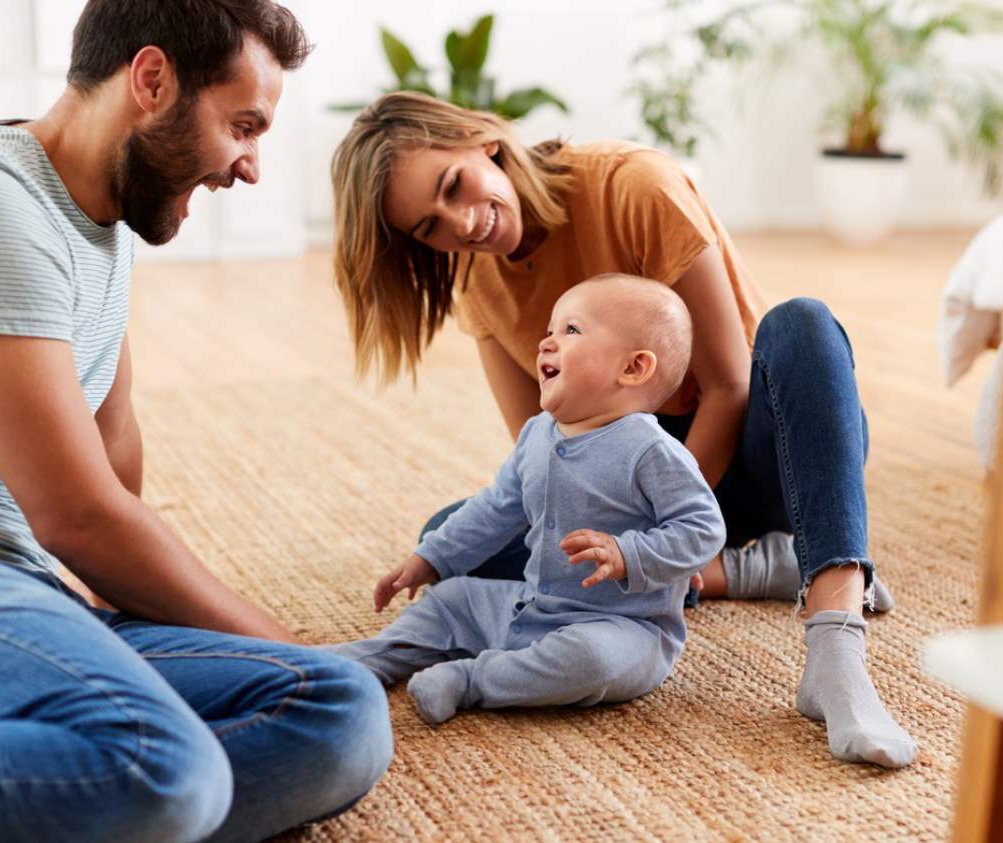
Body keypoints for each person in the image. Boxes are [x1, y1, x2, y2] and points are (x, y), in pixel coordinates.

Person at [330, 91, 917, 768]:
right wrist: (630, 546)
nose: (461, 225)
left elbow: (728, 385)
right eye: (429, 227)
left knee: (804, 323)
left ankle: (833, 645)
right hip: (637, 507)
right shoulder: (477, 280)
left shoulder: (633, 185)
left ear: (480, 140)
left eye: (453, 186)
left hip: (767, 451)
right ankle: (753, 567)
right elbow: (543, 452)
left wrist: (661, 532)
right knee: (451, 534)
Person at [0, 2, 391, 840]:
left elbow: (112, 443)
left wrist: (145, 621)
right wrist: (281, 636)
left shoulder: (98, 219)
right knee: (159, 766)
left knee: (334, 708)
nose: (250, 168)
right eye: (243, 125)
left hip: (25, 593)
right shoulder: (0, 209)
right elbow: (79, 514)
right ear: (151, 79)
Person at [330, 274, 725, 724]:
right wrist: (432, 557)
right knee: (452, 598)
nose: (547, 343)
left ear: (633, 368)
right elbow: (496, 507)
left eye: (571, 331)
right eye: (550, 330)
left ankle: (473, 680)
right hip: (531, 603)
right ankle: (375, 657)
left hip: (624, 626)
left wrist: (627, 552)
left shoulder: (649, 450)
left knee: (590, 662)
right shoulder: (538, 432)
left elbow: (703, 529)